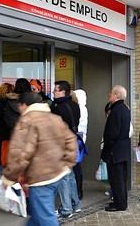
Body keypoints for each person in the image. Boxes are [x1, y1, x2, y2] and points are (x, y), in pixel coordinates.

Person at [1, 92, 77, 226]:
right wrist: (67, 164)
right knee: (37, 217)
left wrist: (9, 177)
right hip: (57, 174)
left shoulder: (26, 122)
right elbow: (71, 139)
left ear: (23, 105)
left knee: (46, 218)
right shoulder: (54, 117)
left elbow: (21, 154)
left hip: (40, 179)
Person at [51, 80, 81, 217]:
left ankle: (66, 209)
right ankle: (75, 205)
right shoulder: (75, 105)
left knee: (63, 177)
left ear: (63, 92)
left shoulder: (58, 108)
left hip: (61, 145)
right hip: (73, 143)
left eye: (55, 90)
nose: (53, 92)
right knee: (71, 175)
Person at [101, 85, 131, 212]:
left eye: (111, 92)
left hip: (115, 151)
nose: (109, 94)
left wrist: (107, 148)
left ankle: (120, 204)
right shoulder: (124, 109)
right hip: (122, 150)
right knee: (121, 178)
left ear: (117, 96)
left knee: (116, 179)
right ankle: (120, 201)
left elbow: (112, 133)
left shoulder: (116, 110)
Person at [72, 89, 88, 200]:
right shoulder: (83, 108)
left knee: (76, 166)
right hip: (80, 139)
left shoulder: (79, 109)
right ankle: (78, 190)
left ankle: (78, 190)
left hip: (77, 139)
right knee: (77, 166)